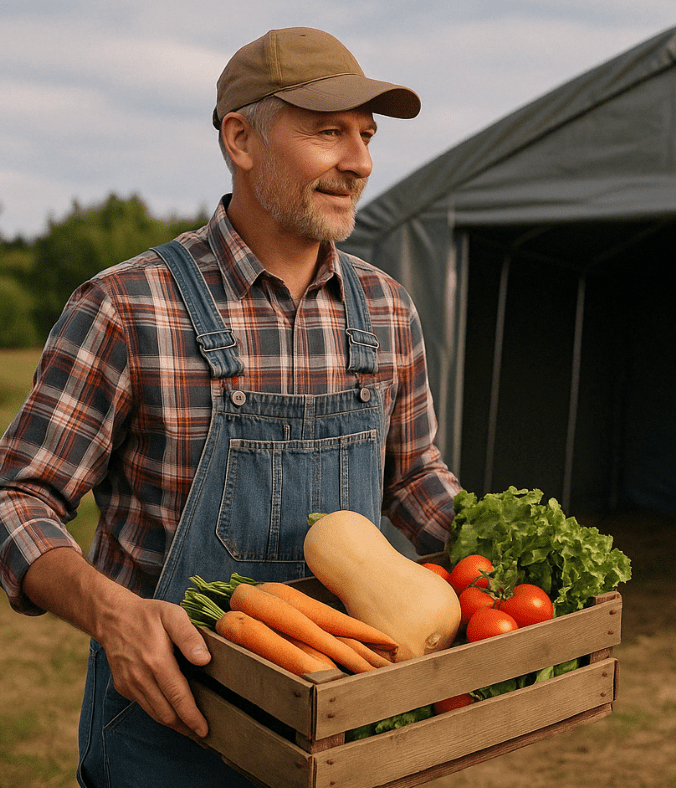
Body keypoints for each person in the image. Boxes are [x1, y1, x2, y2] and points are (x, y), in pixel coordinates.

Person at [0, 27, 460, 787]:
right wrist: (113, 615)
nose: (359, 162)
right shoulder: (127, 306)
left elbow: (412, 477)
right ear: (241, 139)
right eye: (327, 132)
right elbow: (18, 498)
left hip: (347, 723)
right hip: (171, 728)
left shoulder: (386, 308)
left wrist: (500, 561)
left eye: (367, 136)